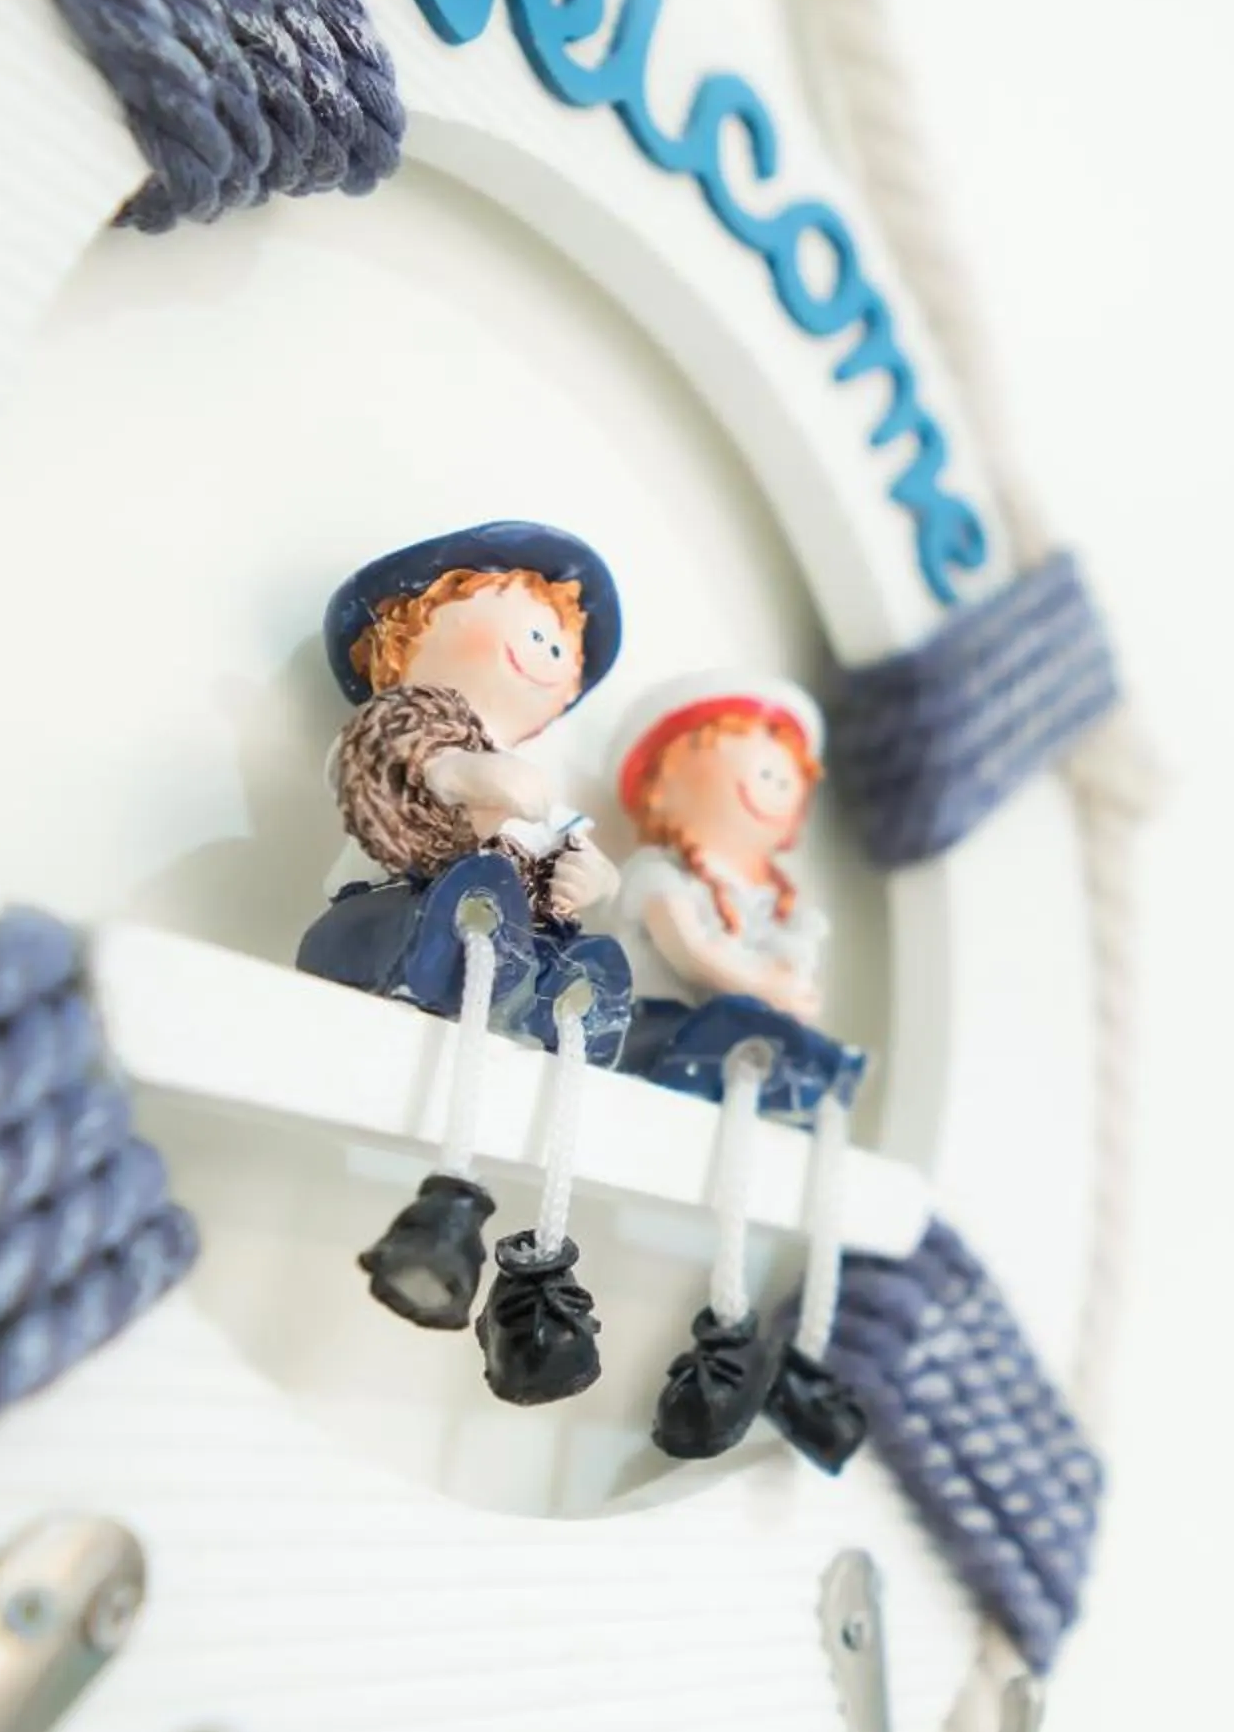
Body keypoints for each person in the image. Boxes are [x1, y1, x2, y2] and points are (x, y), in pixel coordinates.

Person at [610, 672, 869, 1468]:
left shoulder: (775, 908)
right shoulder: (662, 874)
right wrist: (769, 984)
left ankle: (773, 1360)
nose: (772, 789)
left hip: (742, 1051)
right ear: (669, 775)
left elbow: (792, 982)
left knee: (806, 1059)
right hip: (664, 1033)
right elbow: (695, 951)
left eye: (785, 780)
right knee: (750, 1027)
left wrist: (793, 983)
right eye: (756, 769)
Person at [294, 520, 635, 1067]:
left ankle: (564, 995)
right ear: (405, 632)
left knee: (538, 936)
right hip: (391, 911)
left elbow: (578, 843)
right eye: (530, 627)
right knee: (469, 892)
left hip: (511, 941)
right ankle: (479, 940)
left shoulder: (541, 783)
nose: (548, 647)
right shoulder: (392, 727)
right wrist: (461, 774)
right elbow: (381, 769)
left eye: (562, 642)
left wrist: (597, 878)